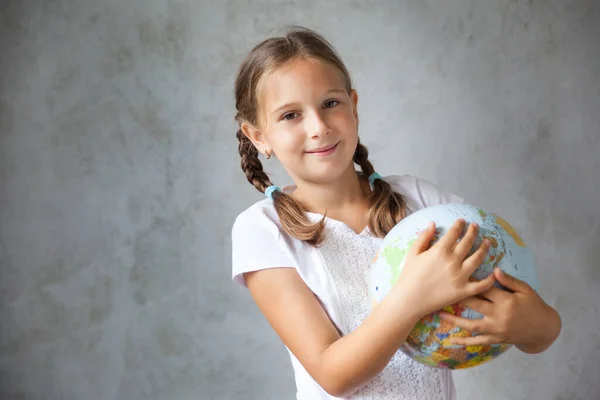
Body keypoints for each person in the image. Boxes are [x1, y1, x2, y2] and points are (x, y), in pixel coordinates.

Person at [230, 26, 561, 400]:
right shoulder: (262, 231)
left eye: (331, 103)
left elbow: (543, 334)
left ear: (354, 105)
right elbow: (333, 376)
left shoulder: (421, 200)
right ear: (258, 136)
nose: (319, 127)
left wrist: (528, 323)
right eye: (291, 115)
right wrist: (412, 297)